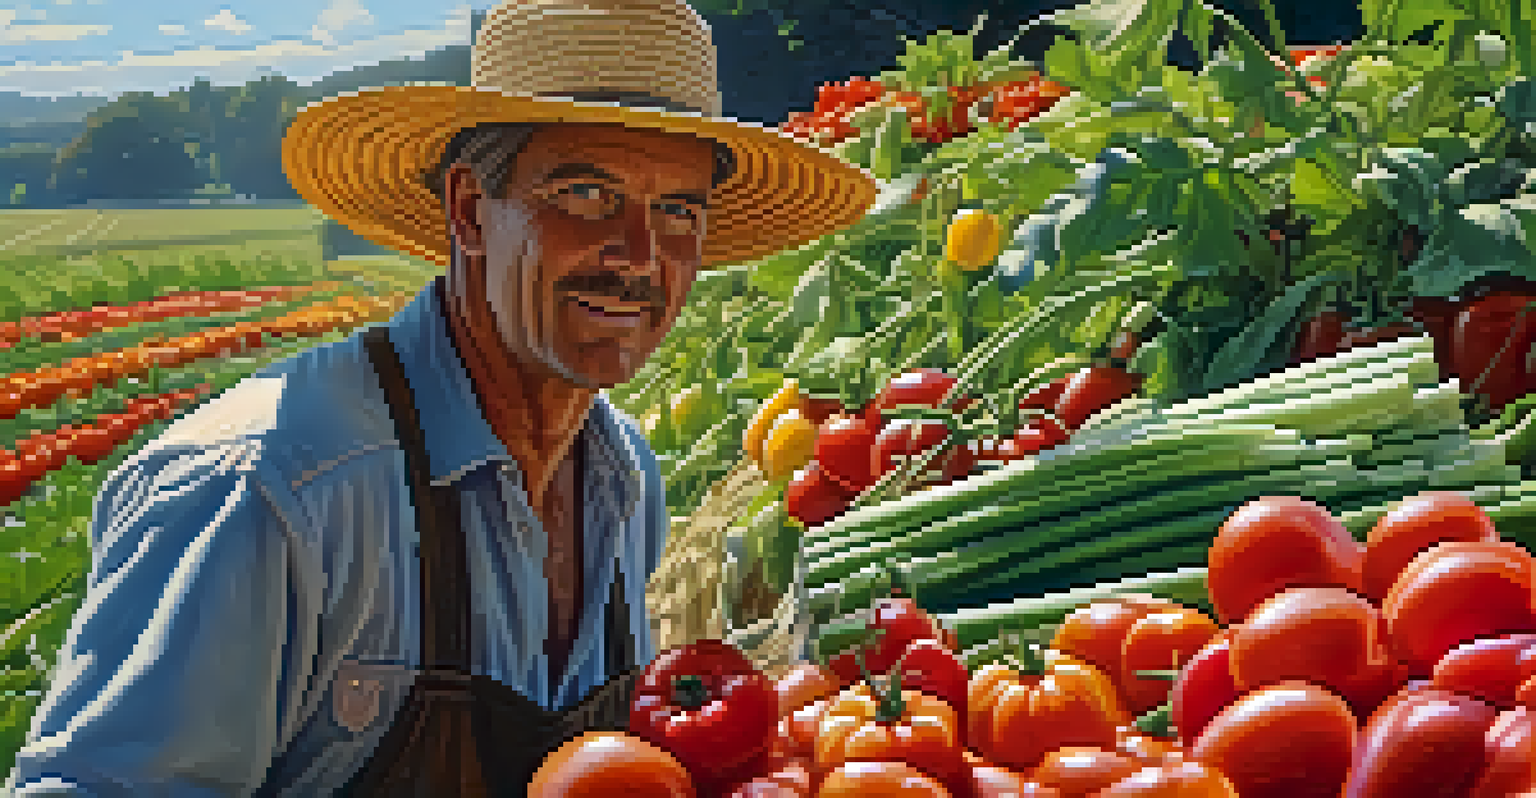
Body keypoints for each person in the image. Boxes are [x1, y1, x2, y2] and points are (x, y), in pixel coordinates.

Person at [3, 0, 877, 794]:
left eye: (679, 211)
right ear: (468, 208)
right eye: (586, 194)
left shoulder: (623, 476)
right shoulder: (267, 490)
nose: (641, 255)